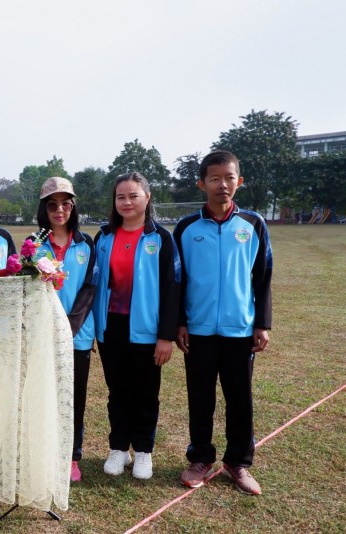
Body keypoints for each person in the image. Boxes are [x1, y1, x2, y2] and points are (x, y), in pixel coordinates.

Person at [174, 150, 272, 495]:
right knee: (201, 398)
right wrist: (180, 322)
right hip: (198, 330)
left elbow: (263, 277)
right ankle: (200, 458)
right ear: (202, 184)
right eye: (214, 179)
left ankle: (238, 462)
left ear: (239, 181)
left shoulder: (253, 224)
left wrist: (261, 324)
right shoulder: (186, 227)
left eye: (229, 178)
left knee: (240, 398)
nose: (222, 185)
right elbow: (177, 280)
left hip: (240, 330)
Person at [92, 172, 180, 480]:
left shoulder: (161, 238)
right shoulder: (103, 237)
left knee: (145, 393)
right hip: (111, 328)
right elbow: (94, 283)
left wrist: (165, 336)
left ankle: (143, 450)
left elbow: (172, 287)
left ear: (147, 197)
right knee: (117, 391)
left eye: (133, 196)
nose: (126, 202)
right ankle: (119, 448)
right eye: (121, 197)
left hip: (146, 330)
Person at [32, 177, 96, 483]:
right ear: (44, 209)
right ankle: (44, 452)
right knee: (43, 396)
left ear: (73, 207)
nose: (60, 210)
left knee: (74, 398)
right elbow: (27, 289)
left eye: (66, 204)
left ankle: (71, 456)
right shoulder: (33, 244)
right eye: (52, 205)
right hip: (42, 335)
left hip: (77, 336)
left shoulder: (86, 244)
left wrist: (68, 327)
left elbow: (90, 287)